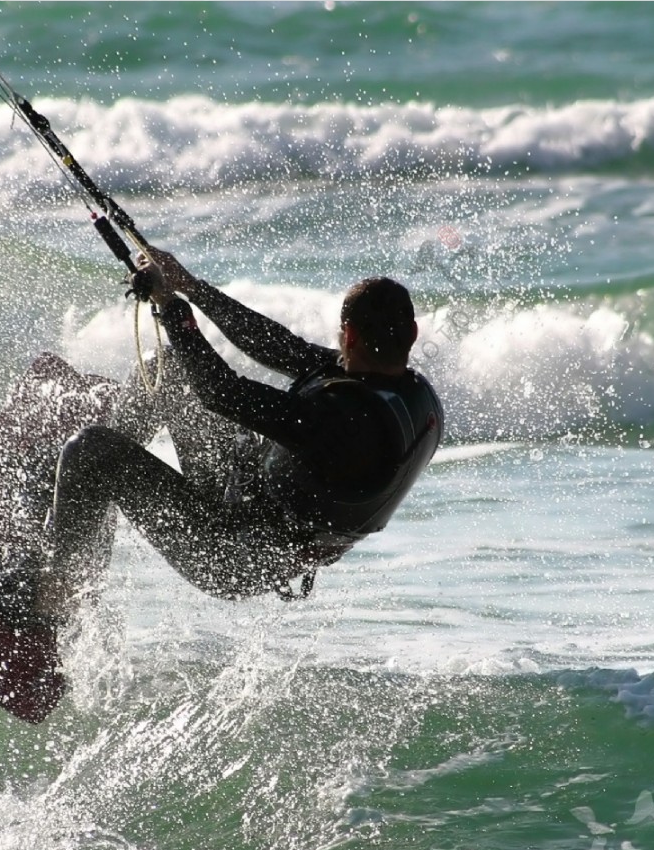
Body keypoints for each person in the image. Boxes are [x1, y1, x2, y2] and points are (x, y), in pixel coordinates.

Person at [28, 245, 445, 617]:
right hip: (245, 500)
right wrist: (190, 285)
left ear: (349, 335)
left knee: (92, 449)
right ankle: (86, 507)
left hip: (230, 553)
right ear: (410, 333)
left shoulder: (340, 425)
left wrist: (169, 305)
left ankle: (56, 602)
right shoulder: (404, 390)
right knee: (168, 365)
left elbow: (222, 393)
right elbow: (278, 346)